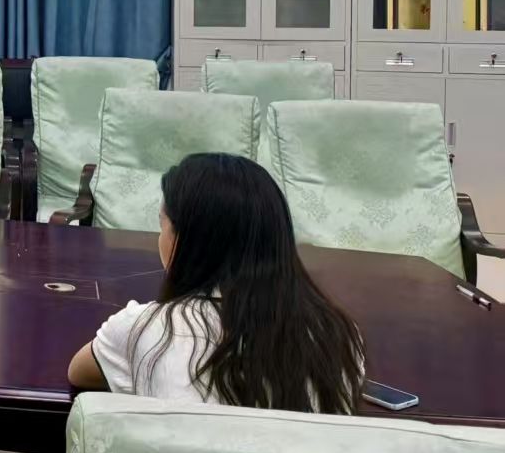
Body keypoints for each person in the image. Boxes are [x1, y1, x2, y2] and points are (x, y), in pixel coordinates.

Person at [67, 152, 364, 413]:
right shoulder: (338, 336)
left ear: (184, 240)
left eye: (162, 224)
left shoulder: (144, 327)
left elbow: (78, 372)